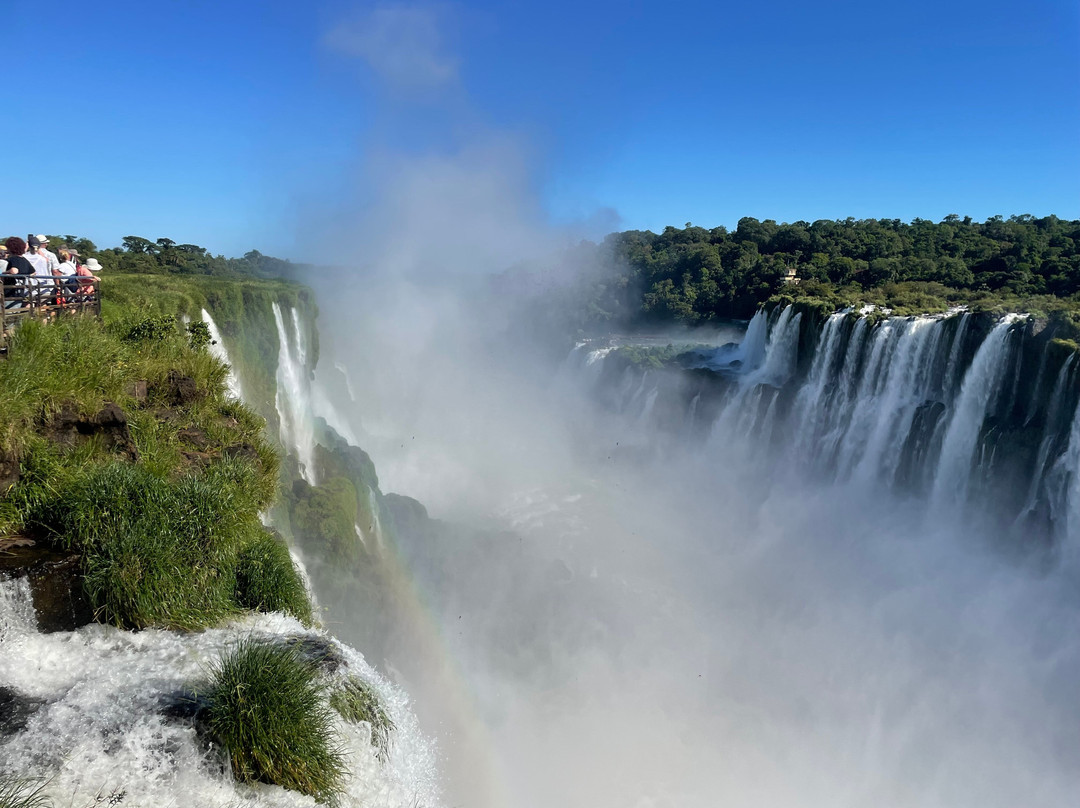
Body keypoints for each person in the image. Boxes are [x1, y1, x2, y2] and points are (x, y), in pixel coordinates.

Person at [3, 237, 35, 308]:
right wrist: (23, 275)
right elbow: (33, 272)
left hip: (9, 292)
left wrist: (4, 273)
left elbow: (14, 271)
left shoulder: (12, 259)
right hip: (20, 292)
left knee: (6, 312)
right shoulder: (24, 260)